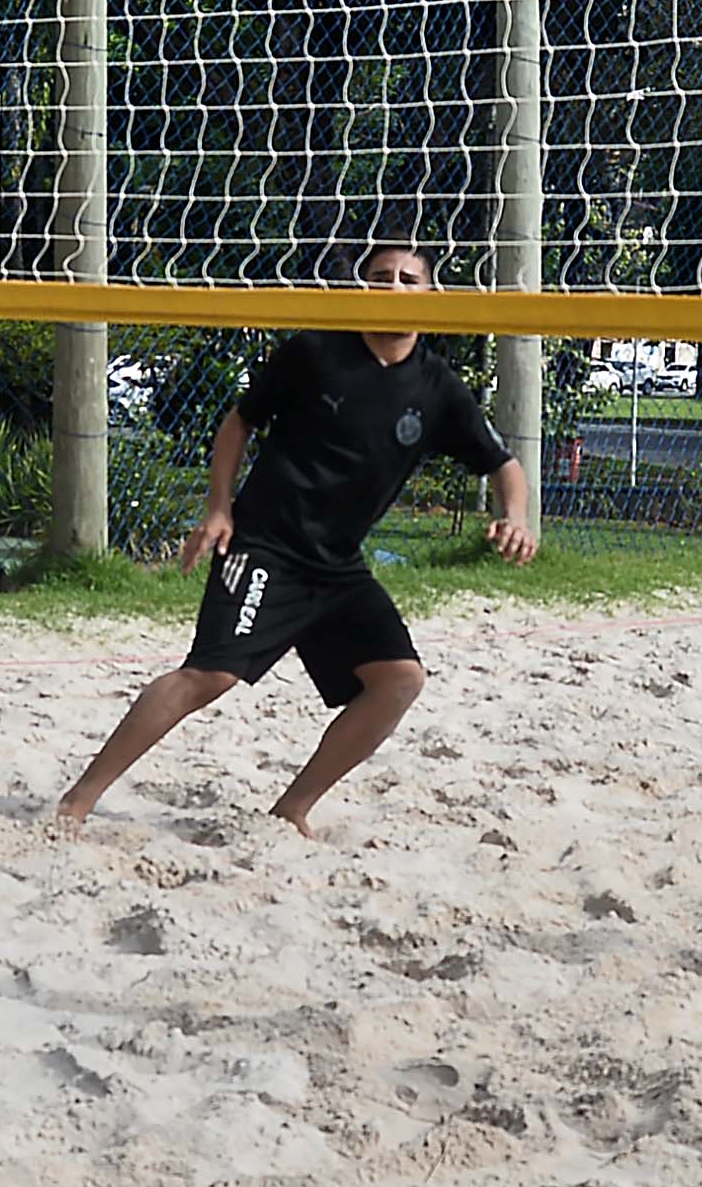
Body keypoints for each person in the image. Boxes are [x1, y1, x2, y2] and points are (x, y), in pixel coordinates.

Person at [57, 241, 536, 836]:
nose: (392, 288)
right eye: (379, 276)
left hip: (336, 566)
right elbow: (239, 423)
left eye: (407, 279)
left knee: (399, 680)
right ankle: (77, 801)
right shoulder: (316, 352)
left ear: (430, 296)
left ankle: (293, 807)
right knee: (210, 676)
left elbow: (503, 465)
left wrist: (515, 516)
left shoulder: (437, 387)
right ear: (361, 289)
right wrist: (219, 508)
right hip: (266, 546)